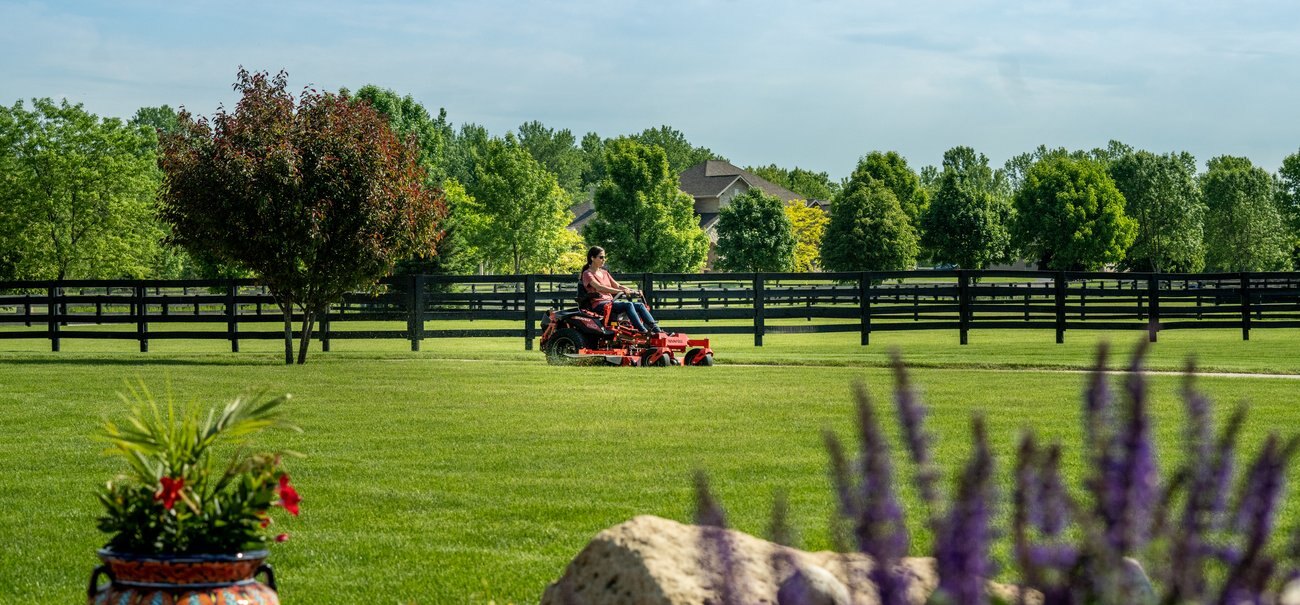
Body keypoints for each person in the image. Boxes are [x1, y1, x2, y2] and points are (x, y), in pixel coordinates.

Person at [580, 246, 661, 334]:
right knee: (628, 305)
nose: (604, 259)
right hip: (599, 304)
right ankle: (642, 331)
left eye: (604, 257)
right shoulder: (587, 273)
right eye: (601, 257)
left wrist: (633, 291)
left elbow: (618, 285)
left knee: (640, 305)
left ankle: (657, 331)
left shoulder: (604, 273)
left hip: (610, 302)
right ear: (592, 258)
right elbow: (599, 287)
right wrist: (620, 292)